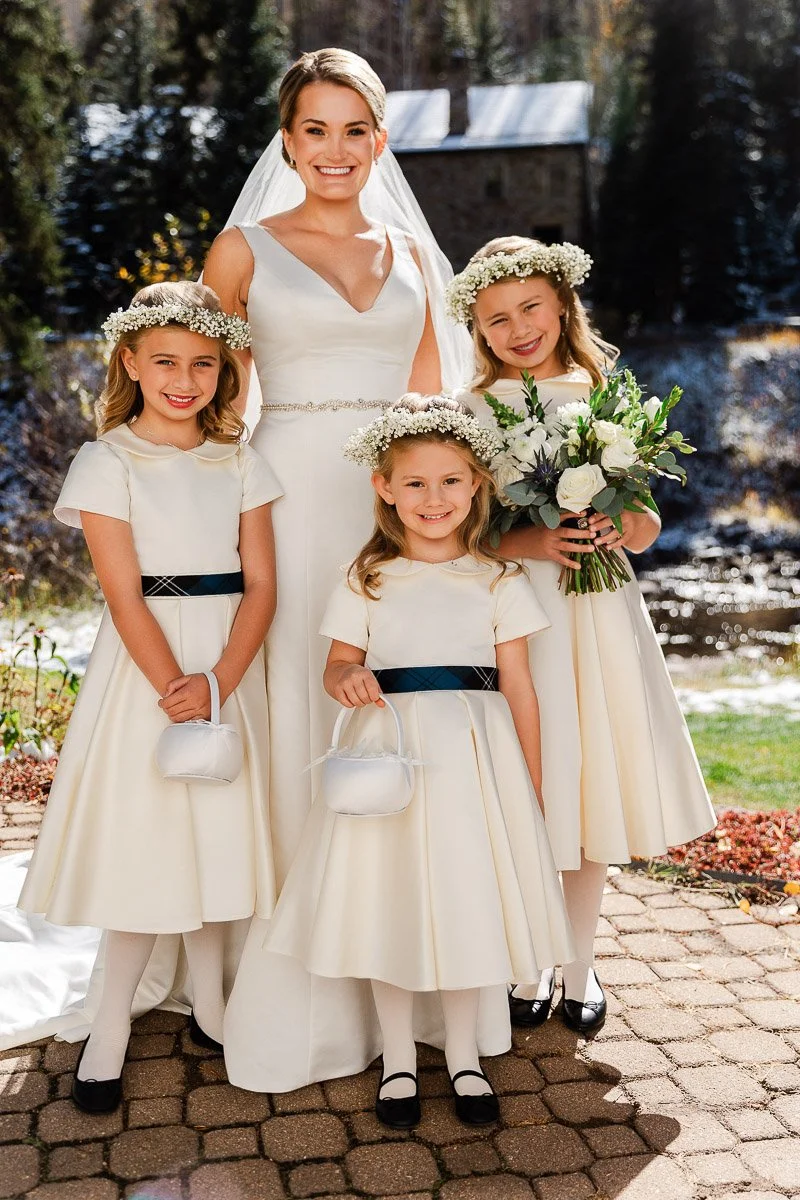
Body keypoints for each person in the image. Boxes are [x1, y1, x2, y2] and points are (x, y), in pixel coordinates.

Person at [201, 48, 513, 1092]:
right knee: (302, 704)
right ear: (285, 141)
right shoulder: (240, 250)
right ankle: (302, 971)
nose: (333, 150)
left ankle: (414, 956)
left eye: (353, 130)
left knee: (402, 711)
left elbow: (432, 412)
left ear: (379, 140)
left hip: (395, 517)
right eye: (313, 130)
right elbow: (203, 401)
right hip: (285, 501)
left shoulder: (417, 261)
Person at [262, 395, 574, 1126]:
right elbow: (336, 667)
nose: (433, 499)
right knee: (387, 900)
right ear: (384, 488)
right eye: (415, 484)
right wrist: (346, 679)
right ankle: (399, 1059)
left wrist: (527, 785)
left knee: (468, 905)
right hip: (390, 758)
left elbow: (521, 690)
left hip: (474, 764)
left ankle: (464, 1058)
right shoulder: (366, 578)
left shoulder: (498, 580)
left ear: (476, 486)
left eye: (450, 482)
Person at [17, 281, 282, 1110]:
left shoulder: (239, 458)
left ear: (224, 370)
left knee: (216, 832)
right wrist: (173, 682)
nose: (184, 378)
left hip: (227, 664)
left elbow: (264, 585)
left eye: (204, 364)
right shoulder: (106, 460)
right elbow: (124, 593)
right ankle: (111, 1025)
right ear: (130, 360)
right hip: (146, 671)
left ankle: (210, 1001)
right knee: (150, 837)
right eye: (165, 360)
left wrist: (220, 681)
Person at [448, 236, 716, 1035]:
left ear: (562, 304)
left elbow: (644, 527)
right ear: (478, 329)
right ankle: (526, 959)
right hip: (515, 617)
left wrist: (613, 513)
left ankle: (579, 962)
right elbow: (458, 529)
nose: (518, 328)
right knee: (532, 783)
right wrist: (534, 540)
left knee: (588, 775)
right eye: (497, 318)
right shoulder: (469, 410)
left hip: (596, 614)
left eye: (531, 307)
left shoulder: (603, 390)